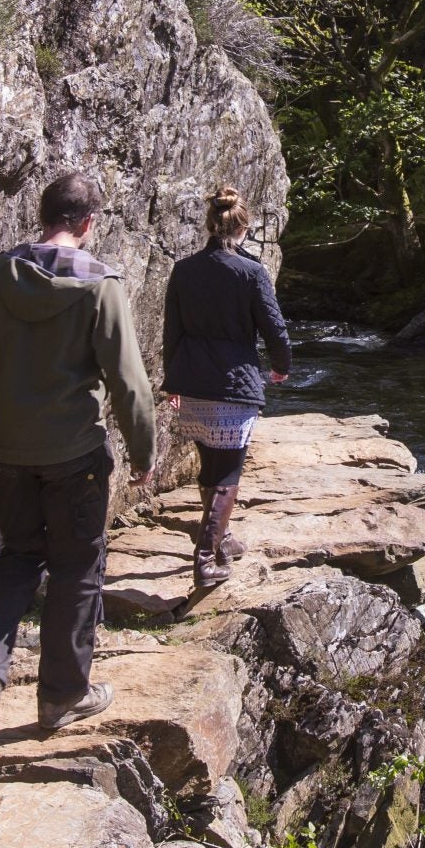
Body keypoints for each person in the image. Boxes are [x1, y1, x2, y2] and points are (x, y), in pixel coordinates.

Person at [0, 172, 157, 733]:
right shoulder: (100, 285)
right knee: (77, 570)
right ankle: (62, 696)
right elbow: (129, 383)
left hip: (12, 453)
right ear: (87, 223)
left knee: (17, 557)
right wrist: (142, 452)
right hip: (77, 454)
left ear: (43, 217)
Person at [162, 186, 291, 587]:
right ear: (244, 228)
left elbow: (172, 331)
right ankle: (204, 560)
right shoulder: (251, 272)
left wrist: (173, 380)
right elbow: (273, 326)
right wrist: (282, 367)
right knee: (228, 473)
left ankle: (223, 539)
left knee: (209, 468)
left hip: (193, 381)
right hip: (233, 382)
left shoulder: (183, 270)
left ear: (209, 224)